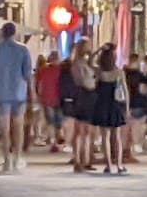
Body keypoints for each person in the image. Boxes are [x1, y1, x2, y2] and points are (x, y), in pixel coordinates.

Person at [0, 21, 33, 172]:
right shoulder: (23, 49)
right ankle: (17, 158)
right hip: (19, 93)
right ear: (15, 33)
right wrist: (33, 92)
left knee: (4, 128)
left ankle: (7, 160)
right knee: (18, 127)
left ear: (2, 33)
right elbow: (27, 74)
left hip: (1, 93)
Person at [91, 44, 130, 174]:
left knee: (105, 137)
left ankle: (108, 165)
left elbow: (89, 61)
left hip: (102, 105)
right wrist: (127, 108)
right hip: (116, 105)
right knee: (117, 136)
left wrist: (99, 49)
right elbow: (125, 91)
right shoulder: (119, 73)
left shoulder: (99, 72)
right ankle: (119, 164)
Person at [69, 38, 98, 172]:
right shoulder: (78, 64)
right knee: (81, 131)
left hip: (87, 97)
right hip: (83, 96)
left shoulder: (84, 63)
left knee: (87, 131)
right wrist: (93, 81)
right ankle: (78, 160)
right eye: (87, 47)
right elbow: (84, 82)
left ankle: (86, 159)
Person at [37, 51, 63, 153]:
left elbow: (40, 85)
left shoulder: (43, 70)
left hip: (47, 99)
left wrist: (39, 96)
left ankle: (53, 142)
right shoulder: (61, 70)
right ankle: (57, 141)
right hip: (59, 98)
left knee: (50, 122)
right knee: (58, 122)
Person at [124, 52, 147, 159]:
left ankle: (126, 149)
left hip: (125, 103)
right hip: (138, 102)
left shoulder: (123, 73)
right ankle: (130, 148)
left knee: (125, 128)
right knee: (135, 127)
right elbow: (143, 90)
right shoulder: (140, 75)